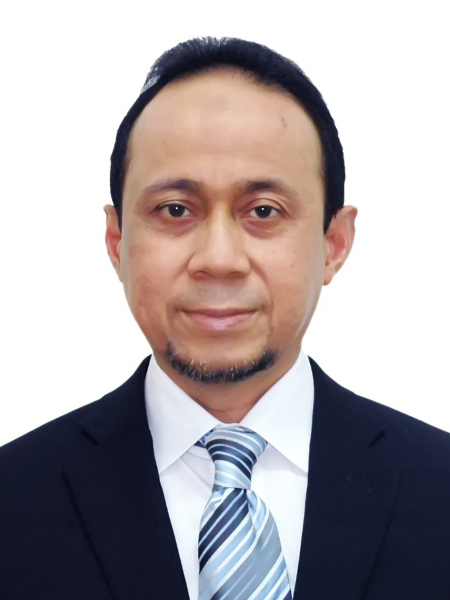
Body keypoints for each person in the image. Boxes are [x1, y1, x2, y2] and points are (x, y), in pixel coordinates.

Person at [1, 37, 449, 600]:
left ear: (334, 243)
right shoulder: (13, 498)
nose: (218, 259)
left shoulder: (438, 486)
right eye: (175, 210)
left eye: (263, 211)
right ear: (116, 242)